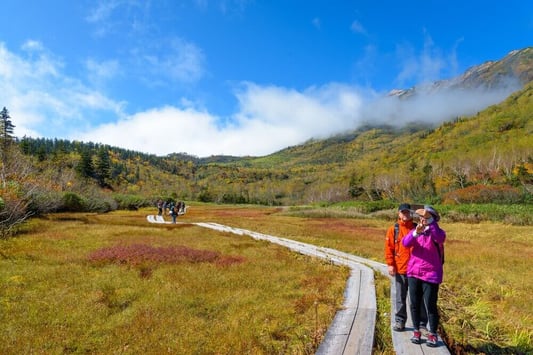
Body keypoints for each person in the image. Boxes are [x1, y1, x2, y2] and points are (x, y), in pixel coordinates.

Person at [402, 205, 446, 347]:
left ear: (433, 219)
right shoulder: (418, 231)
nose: (423, 219)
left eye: (427, 217)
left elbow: (440, 238)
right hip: (414, 272)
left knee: (430, 305)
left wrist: (431, 223)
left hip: (431, 274)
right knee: (414, 304)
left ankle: (432, 334)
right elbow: (405, 243)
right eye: (422, 217)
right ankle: (416, 331)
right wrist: (415, 232)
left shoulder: (437, 232)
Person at [384, 203, 427, 332]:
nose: (405, 215)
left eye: (407, 212)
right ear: (399, 214)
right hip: (400, 268)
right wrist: (390, 264)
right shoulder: (393, 229)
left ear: (410, 214)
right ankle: (400, 321)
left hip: (416, 269)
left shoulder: (417, 228)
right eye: (403, 212)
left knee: (418, 297)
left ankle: (421, 324)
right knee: (400, 297)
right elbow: (389, 248)